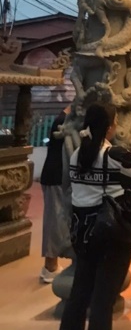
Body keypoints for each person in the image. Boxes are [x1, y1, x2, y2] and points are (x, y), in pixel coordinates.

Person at [54, 102, 131, 330]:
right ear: (111, 126)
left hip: (83, 236)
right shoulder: (114, 154)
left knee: (78, 300)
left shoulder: (76, 155)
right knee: (101, 303)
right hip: (112, 236)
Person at [39, 107, 72, 283]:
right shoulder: (63, 122)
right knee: (54, 222)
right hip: (55, 175)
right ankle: (49, 267)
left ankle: (51, 264)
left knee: (58, 220)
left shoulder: (64, 119)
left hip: (58, 175)